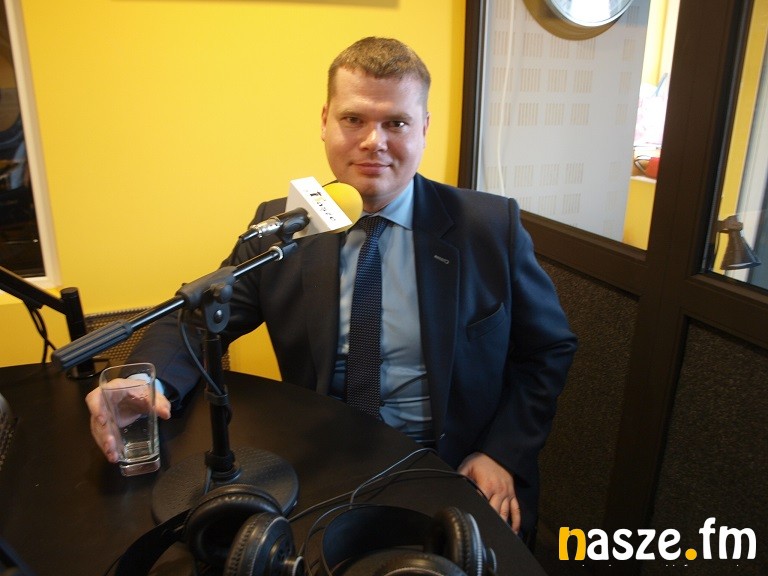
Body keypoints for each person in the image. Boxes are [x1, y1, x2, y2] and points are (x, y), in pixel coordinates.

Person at [85, 37, 577, 540]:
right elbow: (196, 316)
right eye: (353, 119)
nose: (373, 141)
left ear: (425, 128)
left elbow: (548, 349)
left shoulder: (489, 226)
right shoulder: (281, 226)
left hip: (454, 467)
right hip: (323, 468)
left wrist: (501, 452)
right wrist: (145, 383)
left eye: (397, 123)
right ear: (324, 121)